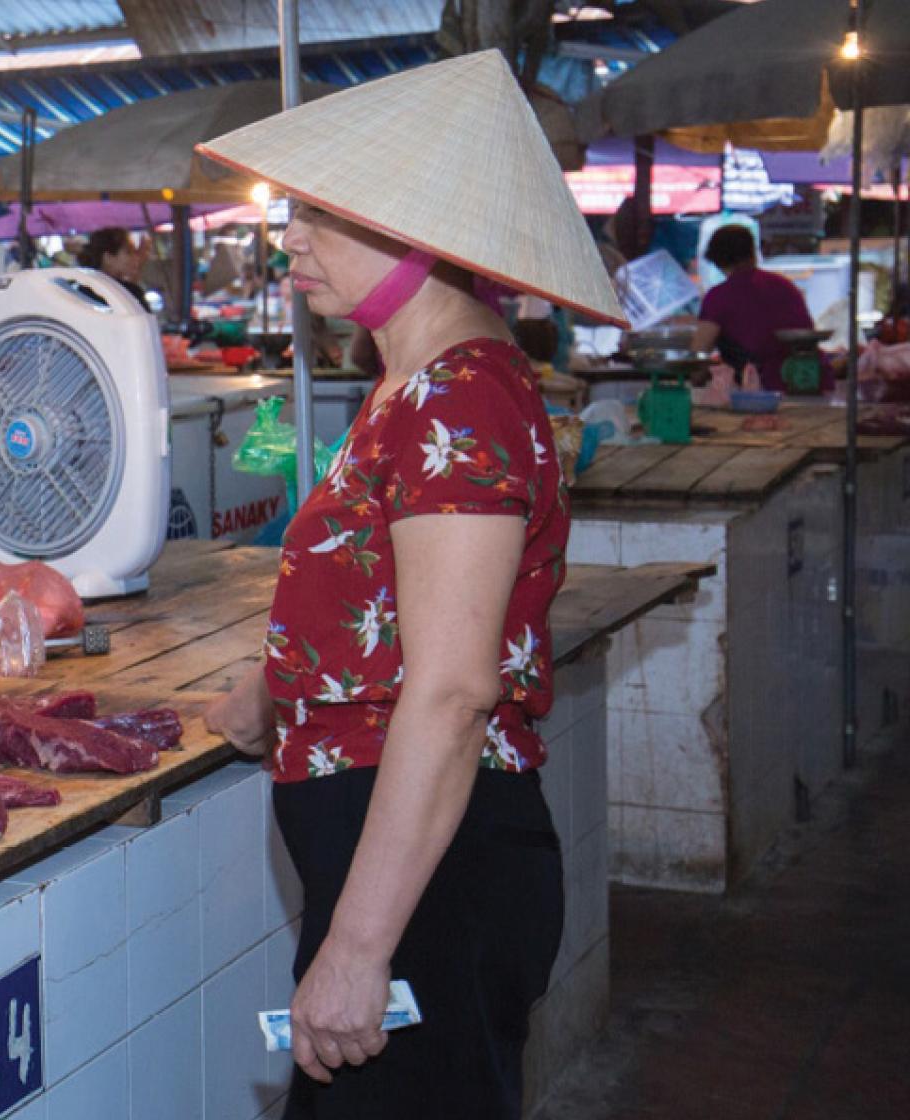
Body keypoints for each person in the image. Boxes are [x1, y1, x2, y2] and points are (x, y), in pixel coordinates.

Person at [194, 54, 612, 1118]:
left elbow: (452, 686)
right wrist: (272, 688)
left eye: (322, 217)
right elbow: (385, 604)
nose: (288, 238)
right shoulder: (414, 380)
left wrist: (358, 945)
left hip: (436, 874)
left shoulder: (457, 397)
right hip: (408, 847)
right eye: (292, 213)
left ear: (421, 239)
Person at [692, 224, 818, 392]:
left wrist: (698, 376)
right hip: (812, 383)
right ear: (753, 253)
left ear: (716, 259)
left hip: (759, 388)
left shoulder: (719, 296)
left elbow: (698, 355)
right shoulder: (784, 285)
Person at [82, 227, 152, 309]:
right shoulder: (130, 292)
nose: (135, 257)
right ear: (108, 258)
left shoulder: (81, 291)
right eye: (128, 252)